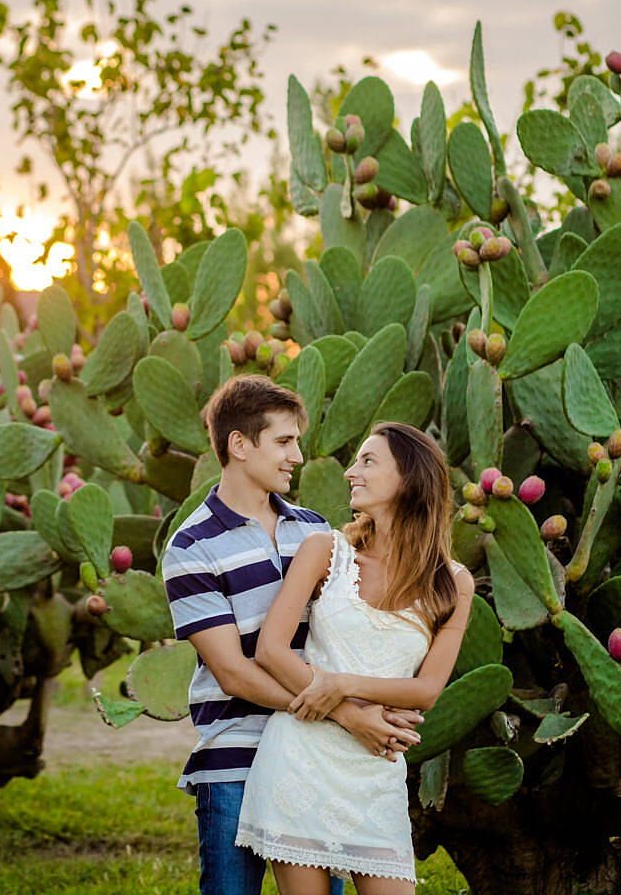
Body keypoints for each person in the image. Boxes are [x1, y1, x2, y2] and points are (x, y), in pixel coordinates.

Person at [161, 375, 427, 895]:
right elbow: (235, 673)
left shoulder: (315, 531)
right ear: (239, 445)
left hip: (315, 756)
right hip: (234, 756)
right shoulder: (191, 548)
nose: (297, 456)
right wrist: (349, 714)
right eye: (284, 441)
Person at [234, 421, 475, 894]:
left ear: (409, 479)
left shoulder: (453, 583)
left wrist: (342, 684)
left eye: (367, 461)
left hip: (375, 770)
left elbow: (426, 690)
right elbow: (270, 650)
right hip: (300, 761)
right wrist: (350, 715)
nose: (349, 472)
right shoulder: (325, 551)